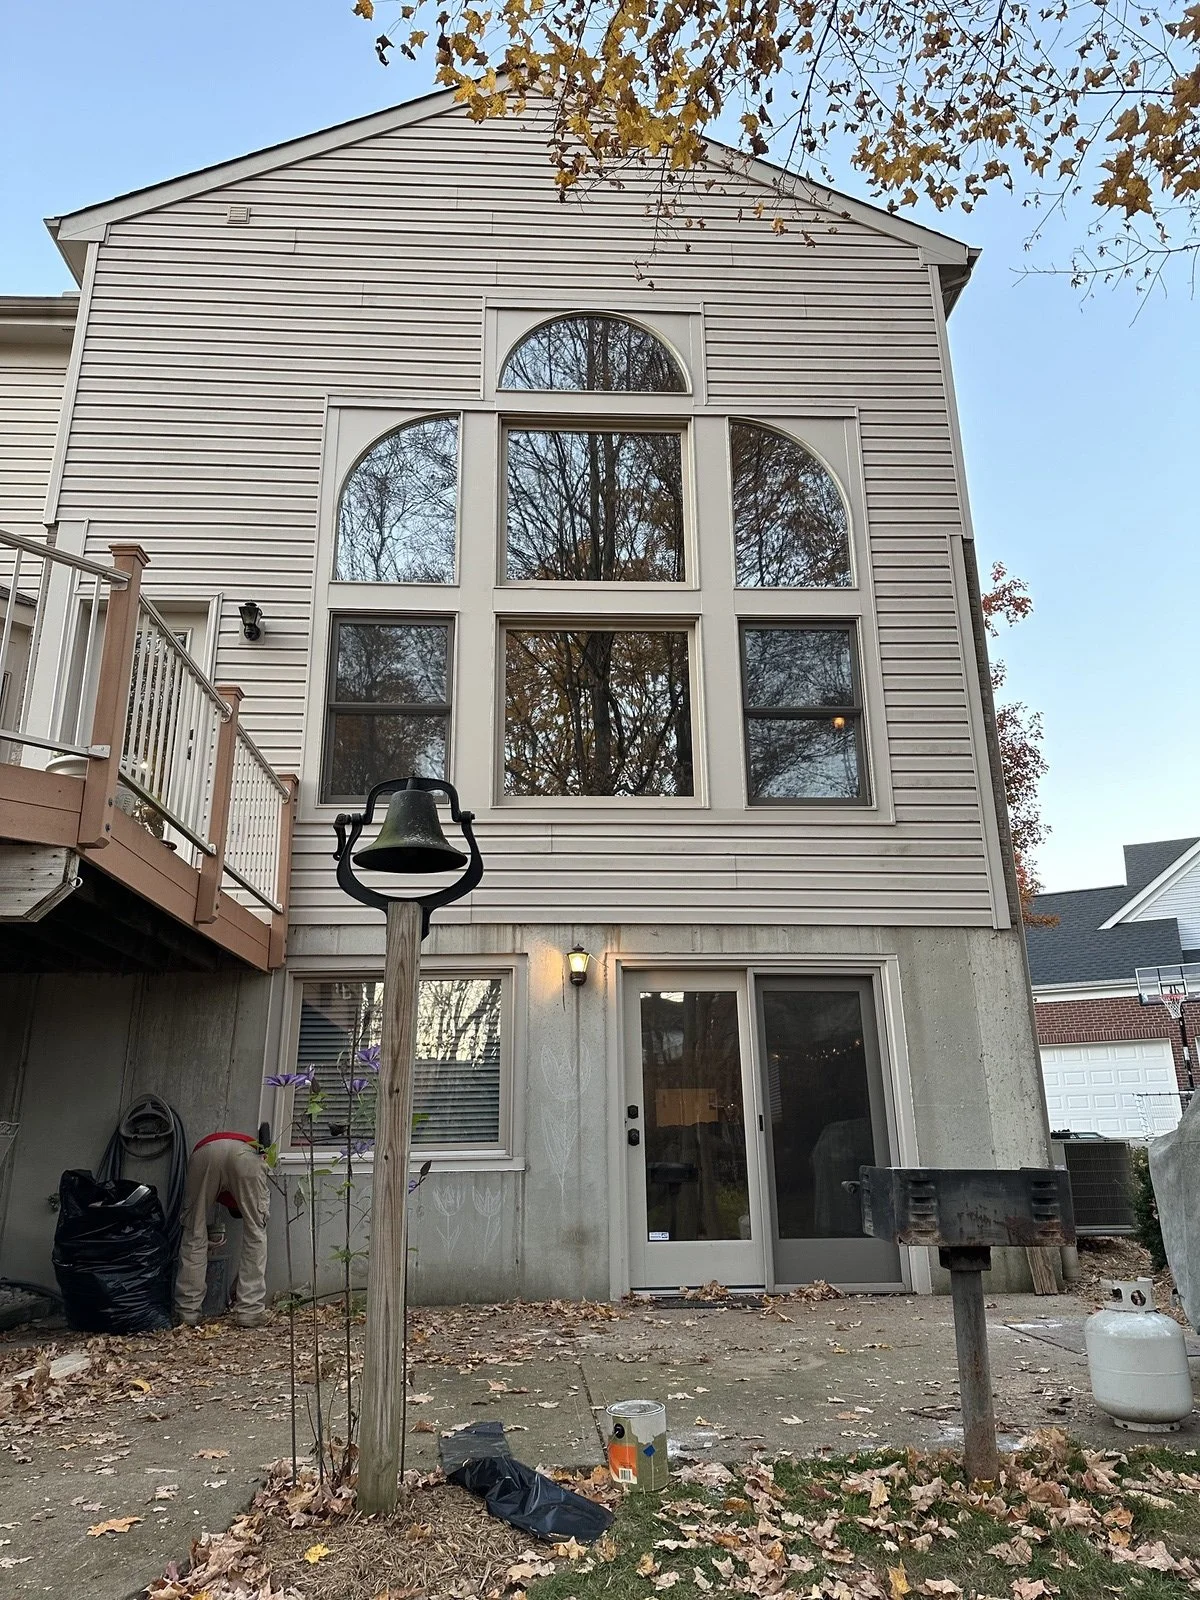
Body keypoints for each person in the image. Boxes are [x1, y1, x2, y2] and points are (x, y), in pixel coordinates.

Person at [175, 1130, 270, 1329]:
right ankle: (250, 1311)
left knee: (194, 1233)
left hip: (205, 1152)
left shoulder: (223, 1191)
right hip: (246, 1156)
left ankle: (187, 1312)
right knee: (255, 1234)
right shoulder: (253, 1158)